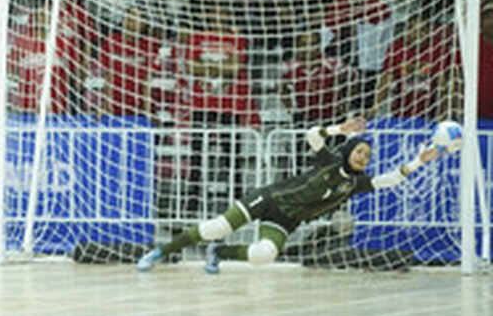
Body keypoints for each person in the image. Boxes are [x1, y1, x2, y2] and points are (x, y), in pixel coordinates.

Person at [137, 117, 441, 274]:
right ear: (348, 151)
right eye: (360, 151)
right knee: (214, 227)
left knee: (263, 256)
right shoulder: (330, 161)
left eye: (367, 154)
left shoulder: (354, 184)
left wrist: (418, 161)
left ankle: (220, 253)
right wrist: (338, 128)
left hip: (287, 219)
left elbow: (390, 179)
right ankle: (159, 253)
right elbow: (311, 135)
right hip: (268, 198)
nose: (363, 157)